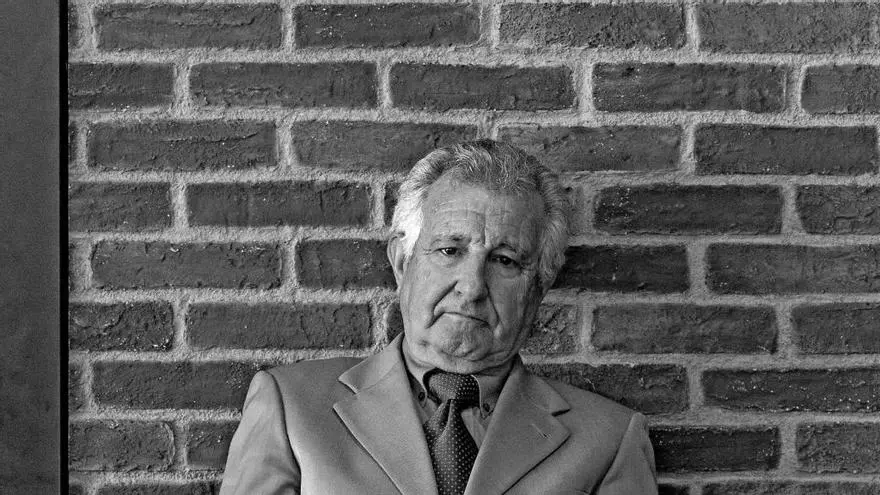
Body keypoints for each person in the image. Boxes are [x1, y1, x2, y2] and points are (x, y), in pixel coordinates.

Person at [219, 140, 657, 494]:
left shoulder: (608, 440)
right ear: (402, 261)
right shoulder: (291, 407)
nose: (472, 286)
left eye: (505, 260)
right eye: (450, 250)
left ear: (539, 286)